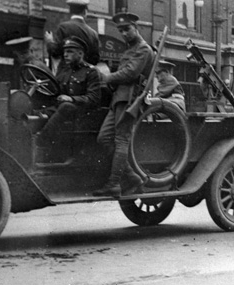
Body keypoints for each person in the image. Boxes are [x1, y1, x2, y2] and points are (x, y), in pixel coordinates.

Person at [93, 12, 154, 198]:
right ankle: (132, 176)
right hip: (118, 100)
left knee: (121, 140)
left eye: (127, 29)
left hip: (130, 100)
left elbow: (130, 73)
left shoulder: (143, 49)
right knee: (104, 138)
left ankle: (114, 184)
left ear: (137, 28)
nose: (124, 33)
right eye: (121, 30)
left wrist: (106, 77)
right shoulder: (129, 50)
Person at [34, 36, 101, 162]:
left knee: (66, 106)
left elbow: (94, 98)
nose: (65, 55)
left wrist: (72, 99)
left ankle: (41, 142)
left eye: (70, 52)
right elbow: (55, 92)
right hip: (62, 111)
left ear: (80, 53)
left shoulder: (91, 72)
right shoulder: (64, 71)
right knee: (37, 112)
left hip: (82, 113)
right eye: (65, 52)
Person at [46, 0, 101, 72]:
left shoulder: (63, 27)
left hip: (67, 75)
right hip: (86, 75)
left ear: (70, 11)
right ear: (85, 12)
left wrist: (49, 41)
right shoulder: (93, 33)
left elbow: (55, 52)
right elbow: (96, 59)